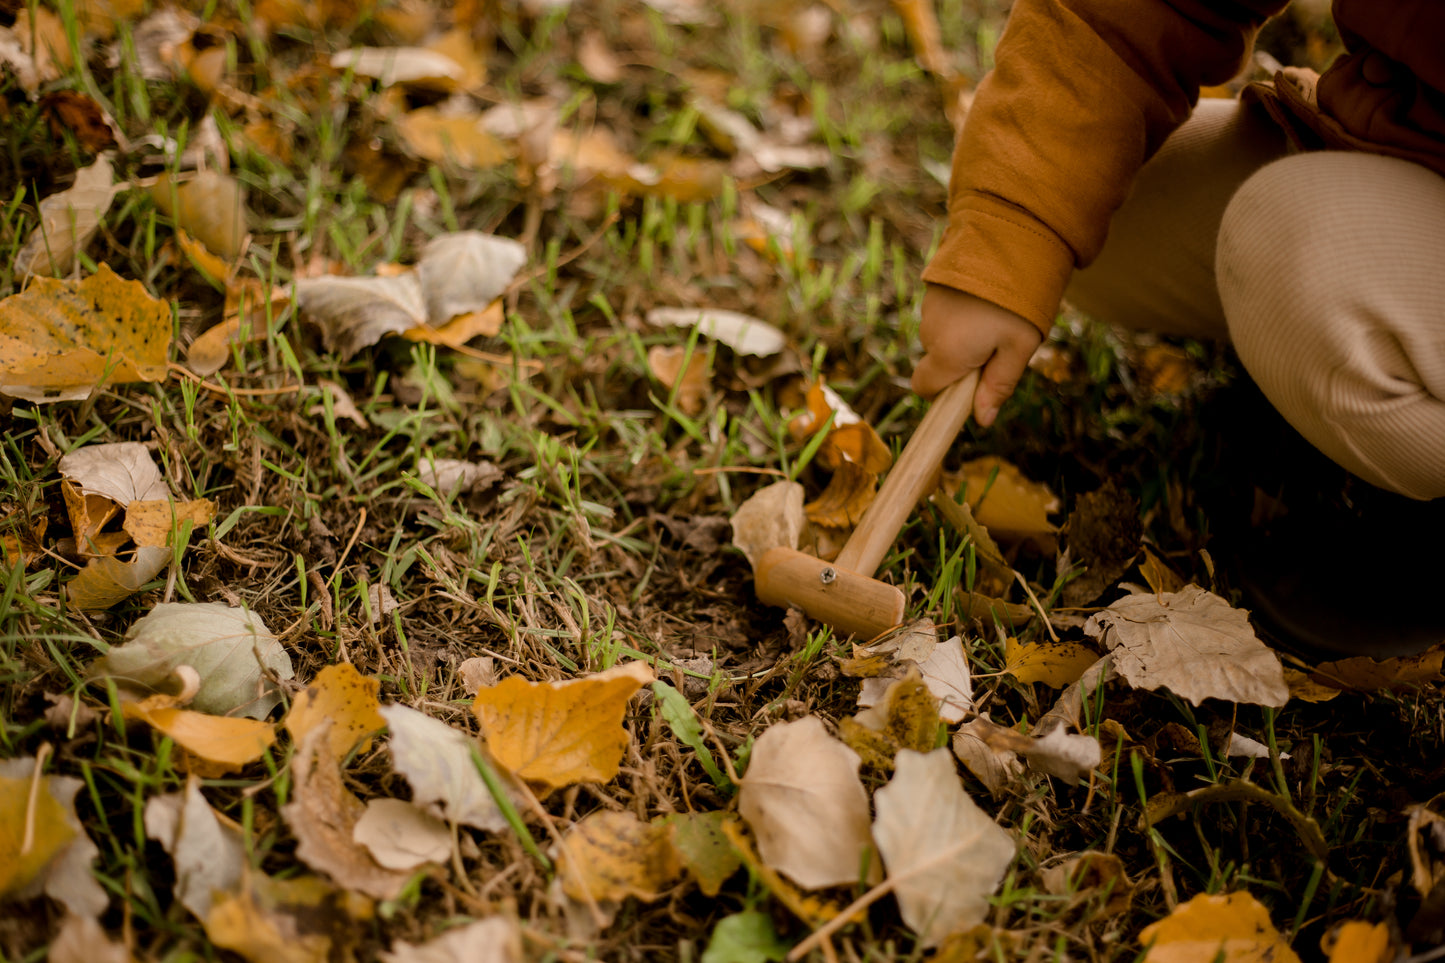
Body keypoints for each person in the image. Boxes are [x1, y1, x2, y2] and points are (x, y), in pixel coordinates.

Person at [912, 0, 1445, 657]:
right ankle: (1352, 367)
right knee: (1099, 199)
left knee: (1290, 240)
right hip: (1408, 146)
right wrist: (1010, 230)